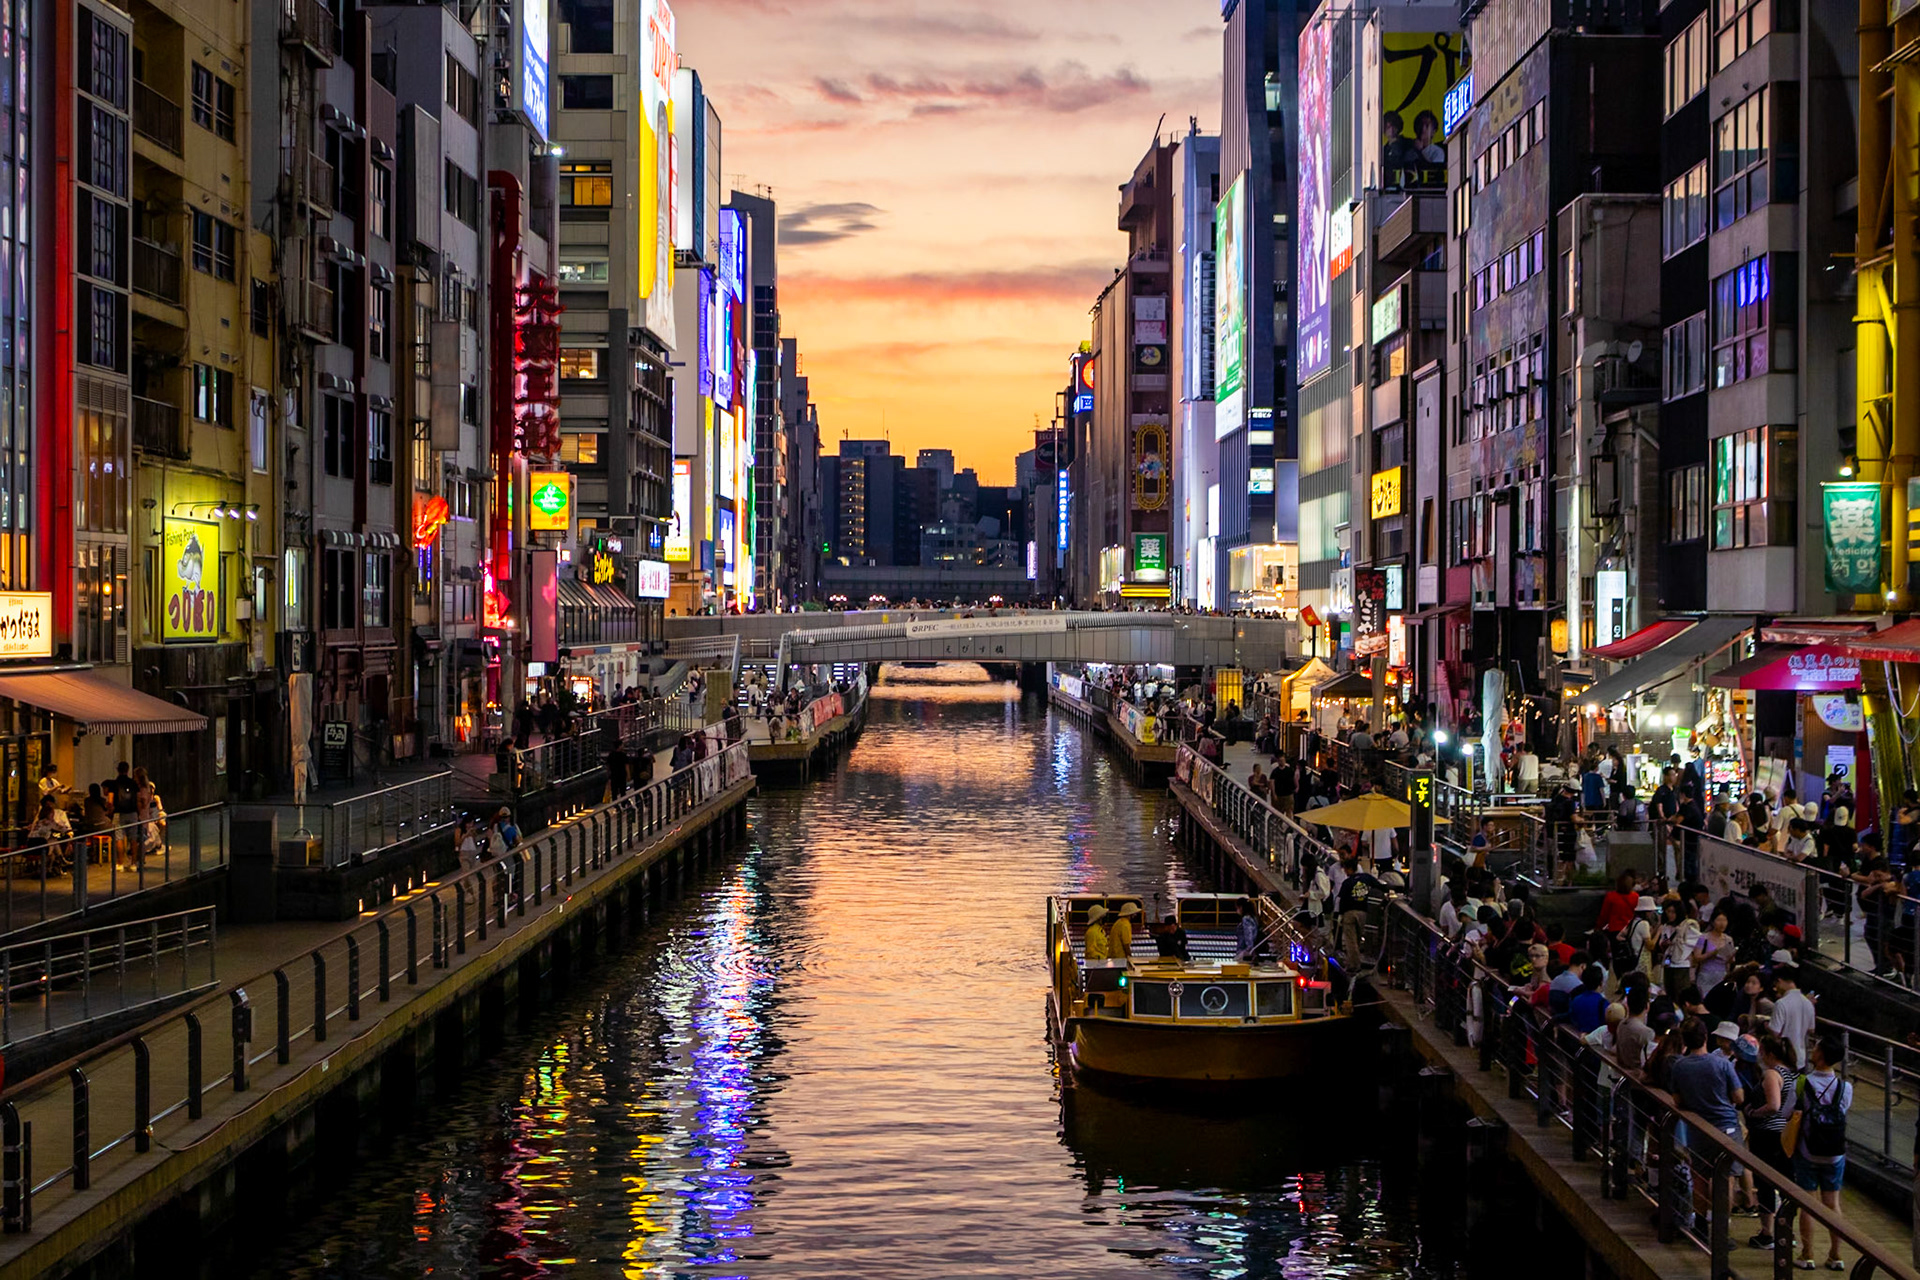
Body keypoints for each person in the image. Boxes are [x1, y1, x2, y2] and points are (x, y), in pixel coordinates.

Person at [1667, 1017, 1747, 1228]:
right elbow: (1739, 1097)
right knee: (1726, 1178)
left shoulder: (1680, 1066)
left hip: (1698, 1128)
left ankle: (1700, 1224)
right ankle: (1721, 1228)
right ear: (1705, 1037)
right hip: (1727, 1127)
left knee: (1700, 1176)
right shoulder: (1722, 1064)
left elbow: (1676, 1099)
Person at [1791, 1034, 1853, 1271]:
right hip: (1834, 1154)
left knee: (1808, 1204)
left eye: (1815, 1048)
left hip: (1807, 1151)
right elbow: (1842, 1111)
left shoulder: (1802, 1082)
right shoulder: (1845, 1087)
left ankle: (1807, 1255)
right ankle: (1836, 1256)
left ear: (1819, 1056)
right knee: (1832, 1203)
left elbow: (1792, 1112)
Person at [1745, 1032, 1801, 1250]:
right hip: (1787, 1135)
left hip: (1767, 1134)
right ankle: (1787, 1229)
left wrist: (1753, 1112)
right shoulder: (1795, 1075)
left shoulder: (1771, 1074)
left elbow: (1774, 1106)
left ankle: (1767, 1232)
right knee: (1787, 1182)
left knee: (1765, 1181)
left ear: (1769, 1053)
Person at [1770, 964, 1815, 1068]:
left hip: (1784, 1057)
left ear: (1779, 981)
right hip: (1801, 1058)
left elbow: (1775, 1031)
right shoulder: (1808, 1003)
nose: (1775, 988)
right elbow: (1811, 1029)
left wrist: (1765, 1024)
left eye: (1775, 984)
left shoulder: (1781, 1003)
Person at [1693, 911, 1735, 995]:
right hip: (1706, 975)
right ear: (1712, 922)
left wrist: (1731, 956)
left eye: (1724, 920)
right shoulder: (1704, 938)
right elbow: (1697, 957)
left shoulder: (1728, 939)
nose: (1722, 923)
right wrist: (1712, 953)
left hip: (1722, 975)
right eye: (1719, 920)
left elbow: (1731, 960)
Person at [1569, 964, 1610, 1033]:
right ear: (1601, 983)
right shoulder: (1604, 1003)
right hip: (1595, 1039)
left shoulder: (1576, 1000)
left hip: (1577, 1036)